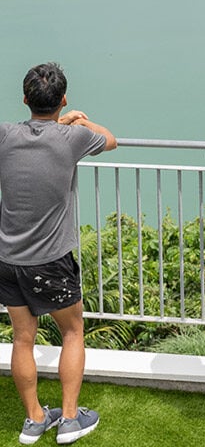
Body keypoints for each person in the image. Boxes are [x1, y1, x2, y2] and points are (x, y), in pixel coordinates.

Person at [0, 63, 117, 445]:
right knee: (72, 331)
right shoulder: (73, 138)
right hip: (50, 261)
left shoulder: (6, 135)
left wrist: (55, 123)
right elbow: (110, 140)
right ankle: (68, 419)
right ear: (63, 99)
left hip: (8, 259)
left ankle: (34, 420)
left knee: (23, 338)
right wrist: (78, 121)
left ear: (25, 99)